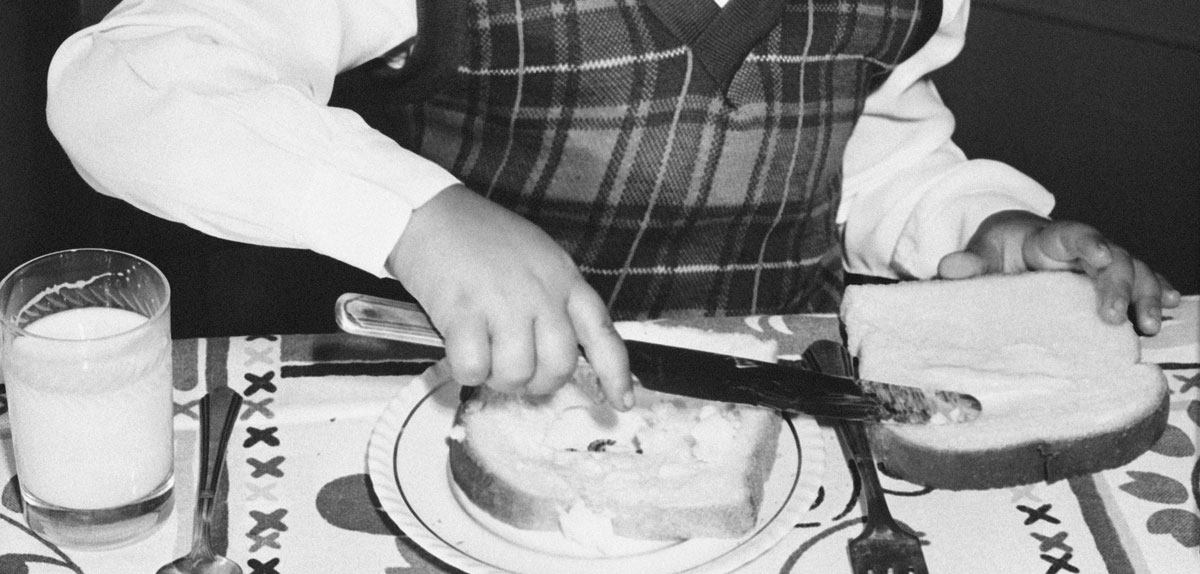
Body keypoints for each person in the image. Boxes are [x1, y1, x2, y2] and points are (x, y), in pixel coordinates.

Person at [46, 0, 1179, 410]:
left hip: (778, 420)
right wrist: (418, 213)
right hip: (459, 425)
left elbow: (870, 147)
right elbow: (122, 81)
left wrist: (978, 225)